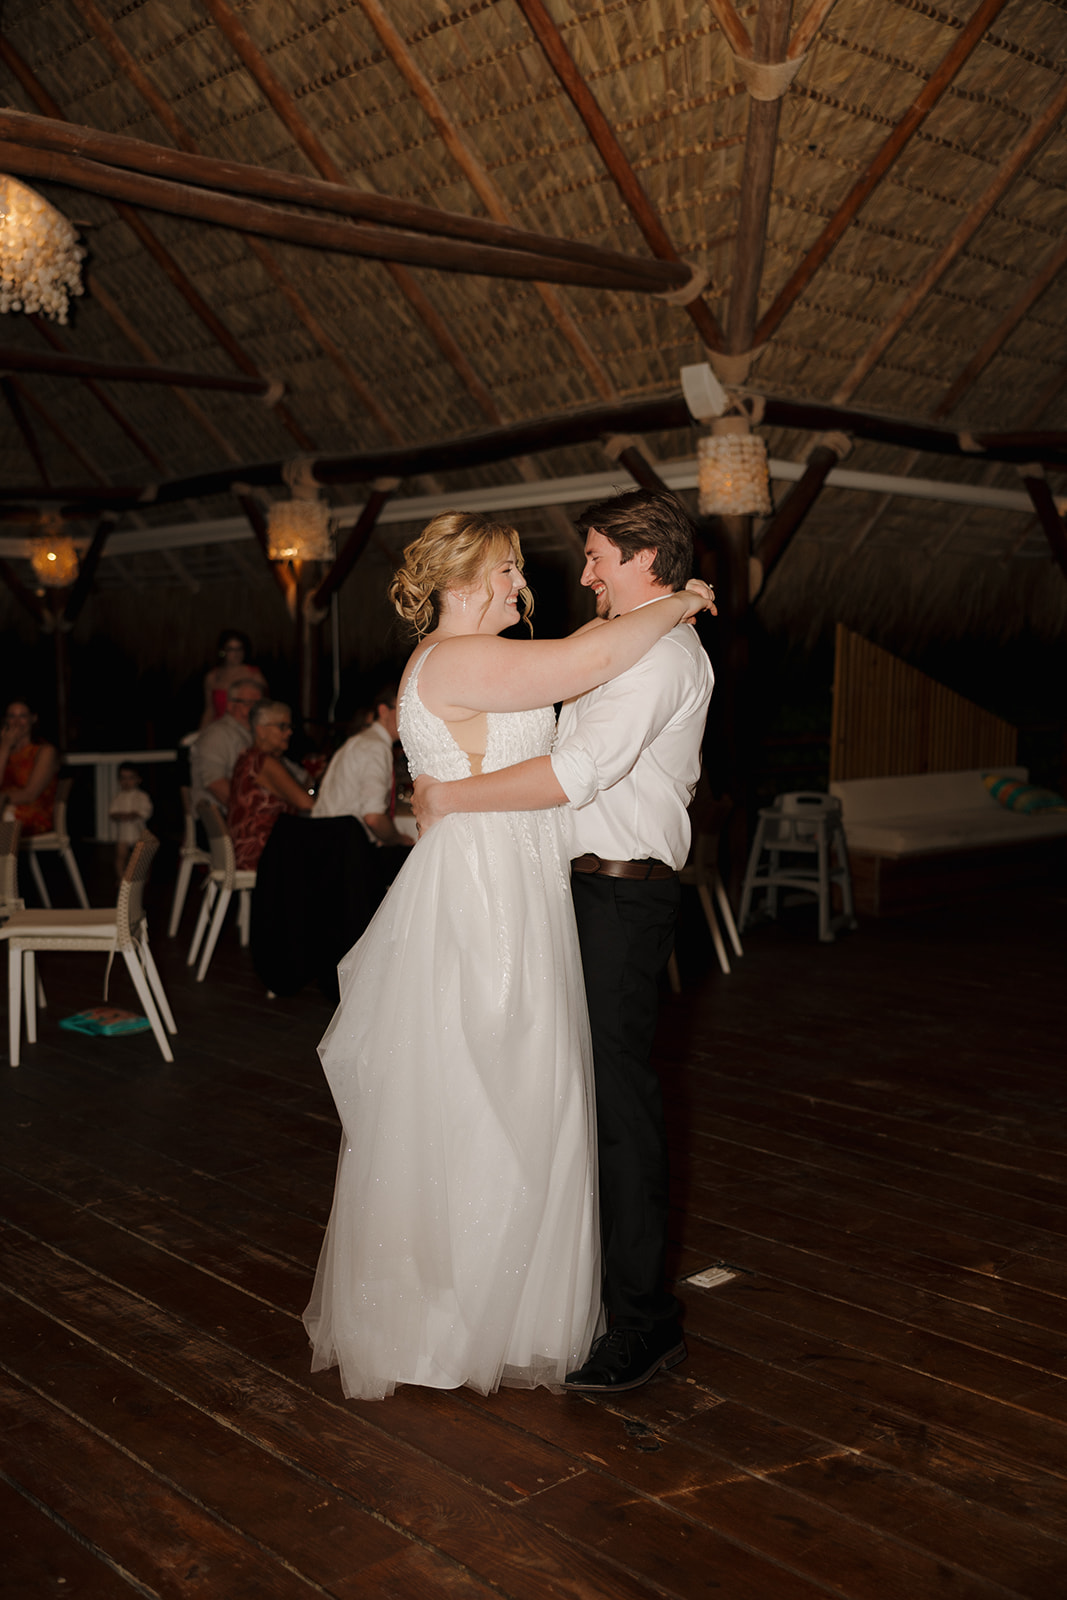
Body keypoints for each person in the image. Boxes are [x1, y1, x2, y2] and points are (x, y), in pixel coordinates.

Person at [301, 509, 712, 1402]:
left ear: (636, 560)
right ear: (460, 578)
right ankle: (476, 1313)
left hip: (560, 887)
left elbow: (577, 726)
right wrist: (678, 599)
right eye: (507, 571)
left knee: (540, 1095)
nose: (540, 582)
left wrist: (447, 792)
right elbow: (585, 665)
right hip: (496, 895)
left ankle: (582, 1311)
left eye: (594, 560)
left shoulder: (638, 650)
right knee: (495, 1093)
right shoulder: (462, 657)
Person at [312, 689, 417, 859]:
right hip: (341, 852)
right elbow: (373, 817)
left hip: (323, 841)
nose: (410, 717)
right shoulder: (375, 746)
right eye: (404, 709)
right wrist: (399, 839)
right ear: (383, 711)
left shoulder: (361, 741)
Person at [227, 700, 314, 870]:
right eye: (282, 726)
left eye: (290, 727)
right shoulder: (264, 762)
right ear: (261, 730)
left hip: (247, 848)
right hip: (260, 854)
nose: (289, 732)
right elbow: (307, 803)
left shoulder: (248, 756)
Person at [189, 677, 264, 813]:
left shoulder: (257, 734)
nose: (254, 709)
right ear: (230, 705)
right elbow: (215, 784)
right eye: (248, 703)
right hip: (221, 822)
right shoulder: (217, 734)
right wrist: (252, 812)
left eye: (258, 704)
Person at [0, 699, 60, 837]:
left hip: (33, 814)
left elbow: (30, 794)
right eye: (11, 716)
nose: (16, 722)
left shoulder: (44, 751)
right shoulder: (3, 751)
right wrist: (4, 747)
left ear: (33, 719)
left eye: (22, 716)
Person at [200, 629, 267, 727]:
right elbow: (209, 710)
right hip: (218, 728)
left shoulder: (254, 675)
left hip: (245, 729)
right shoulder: (212, 676)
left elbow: (264, 709)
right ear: (223, 651)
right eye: (231, 649)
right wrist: (201, 733)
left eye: (239, 649)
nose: (236, 653)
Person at [108, 763, 153, 877]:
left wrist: (136, 814)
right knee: (120, 856)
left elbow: (146, 811)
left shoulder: (142, 796)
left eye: (131, 778)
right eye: (123, 778)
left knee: (140, 857)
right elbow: (112, 813)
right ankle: (122, 878)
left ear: (138, 779)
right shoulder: (118, 797)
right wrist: (118, 816)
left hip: (138, 832)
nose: (126, 782)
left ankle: (142, 878)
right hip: (123, 833)